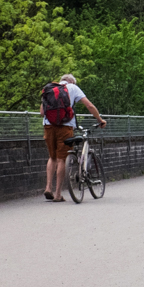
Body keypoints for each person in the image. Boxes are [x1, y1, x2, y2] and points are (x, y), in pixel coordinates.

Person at [41, 74, 106, 202]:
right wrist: (100, 120)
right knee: (61, 159)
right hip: (65, 127)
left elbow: (42, 112)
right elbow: (89, 106)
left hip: (48, 126)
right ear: (72, 82)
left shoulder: (49, 89)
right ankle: (58, 194)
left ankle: (48, 187)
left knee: (52, 157)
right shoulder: (73, 88)